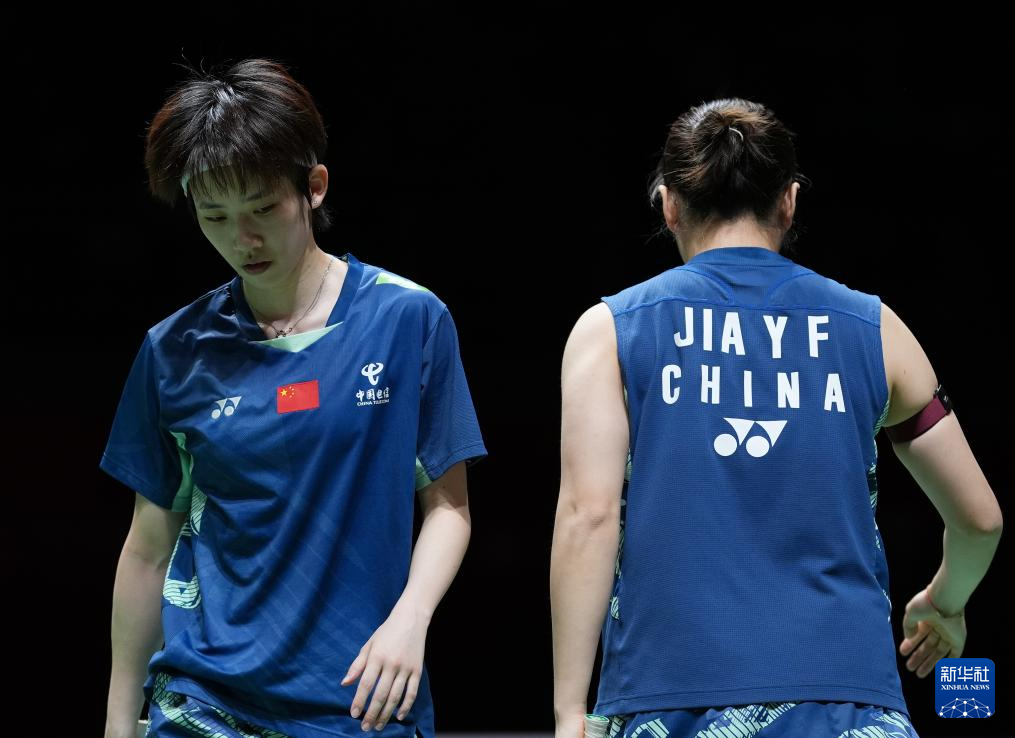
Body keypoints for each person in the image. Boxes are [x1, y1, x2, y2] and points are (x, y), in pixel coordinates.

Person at [550, 98, 1002, 738]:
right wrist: (943, 602)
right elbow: (980, 520)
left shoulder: (610, 332)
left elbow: (588, 515)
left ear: (669, 206)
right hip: (851, 705)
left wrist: (570, 711)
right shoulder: (875, 329)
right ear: (789, 202)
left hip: (666, 703)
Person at [101, 58, 487, 738]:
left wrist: (411, 619)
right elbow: (147, 549)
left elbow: (448, 508)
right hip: (204, 698)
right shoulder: (174, 350)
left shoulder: (406, 319)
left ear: (313, 187)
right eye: (214, 216)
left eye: (261, 209)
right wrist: (117, 719)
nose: (241, 239)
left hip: (359, 695)